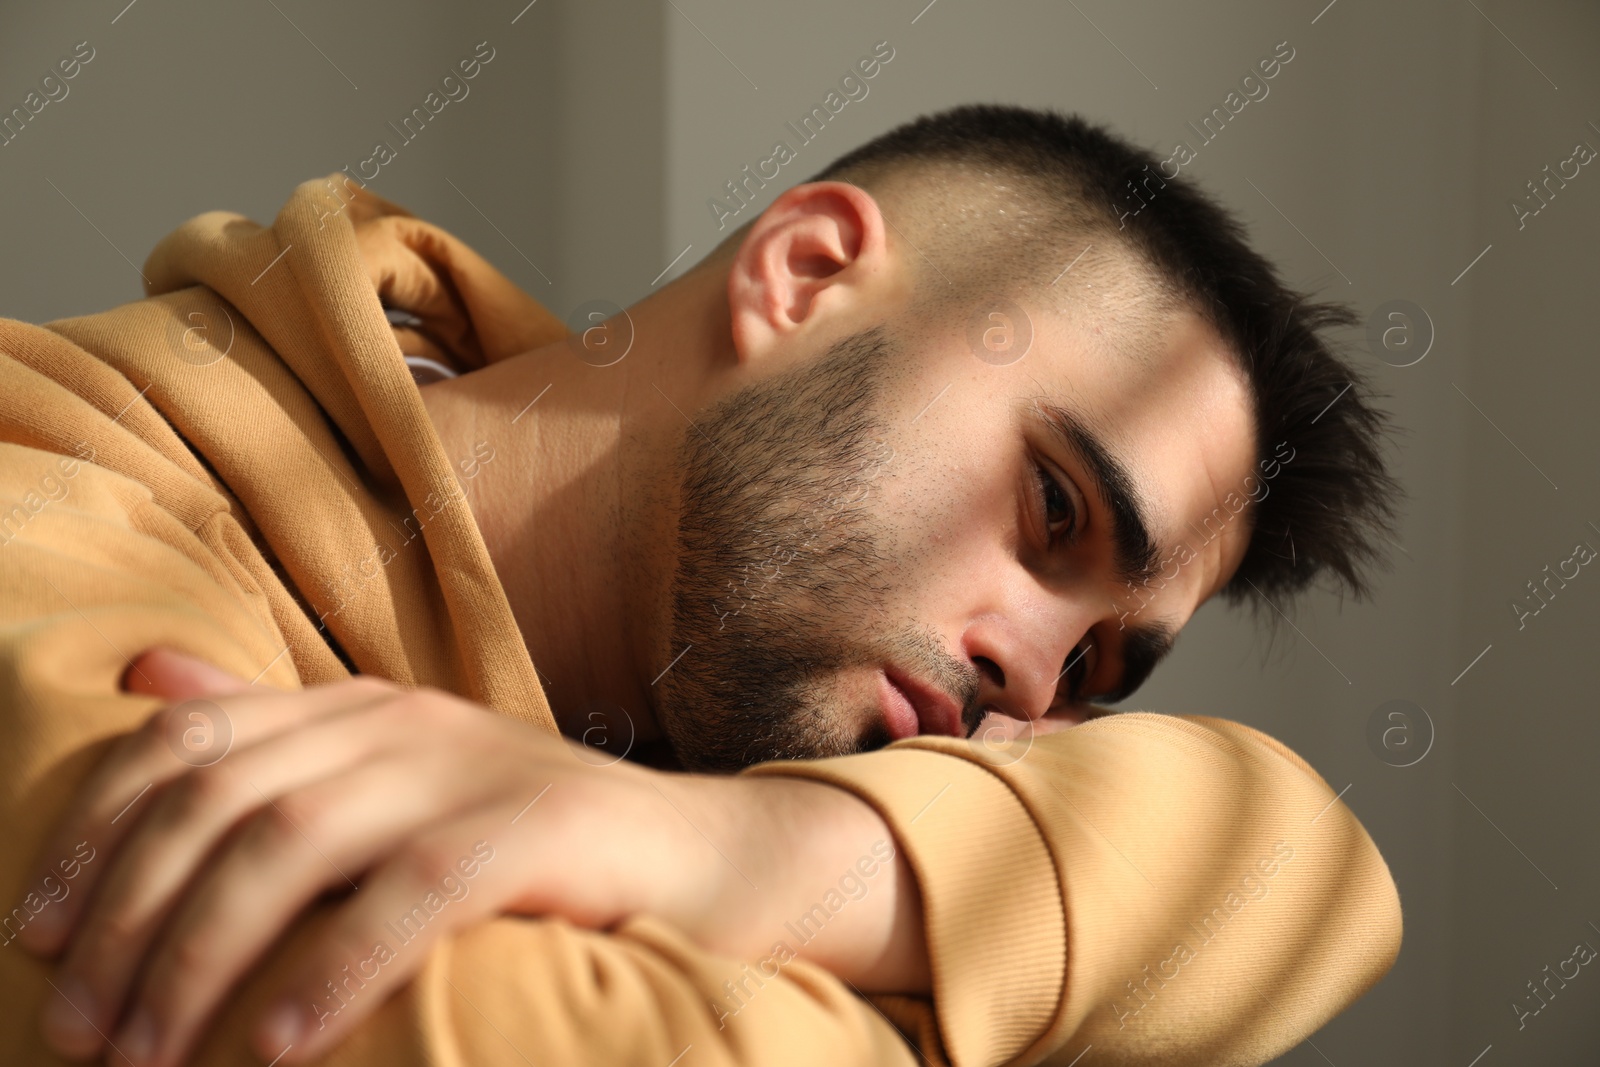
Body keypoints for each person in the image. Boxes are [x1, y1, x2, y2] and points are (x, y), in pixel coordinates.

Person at [0, 105, 1401, 1067]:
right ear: (803, 276)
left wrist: (738, 856)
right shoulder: (58, 483)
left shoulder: (748, 762)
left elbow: (1309, 867)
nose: (1031, 689)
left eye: (1096, 672)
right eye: (1052, 509)